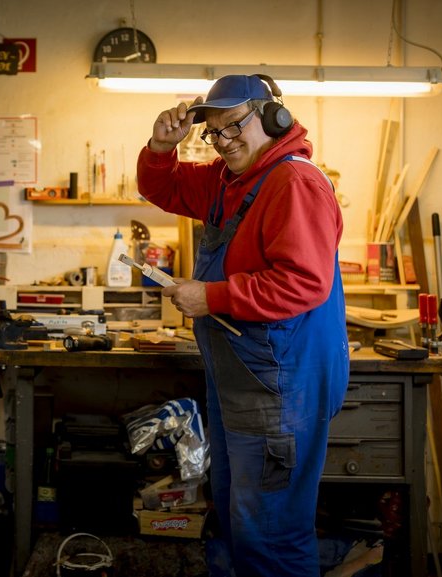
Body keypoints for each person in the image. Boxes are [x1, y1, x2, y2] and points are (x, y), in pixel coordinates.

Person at [136, 74, 349, 577]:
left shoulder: (294, 182)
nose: (226, 141)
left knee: (271, 533)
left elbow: (302, 284)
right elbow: (162, 187)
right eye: (214, 132)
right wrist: (161, 147)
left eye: (235, 125)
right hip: (239, 376)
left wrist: (211, 297)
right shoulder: (229, 178)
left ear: (272, 118)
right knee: (240, 521)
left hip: (279, 386)